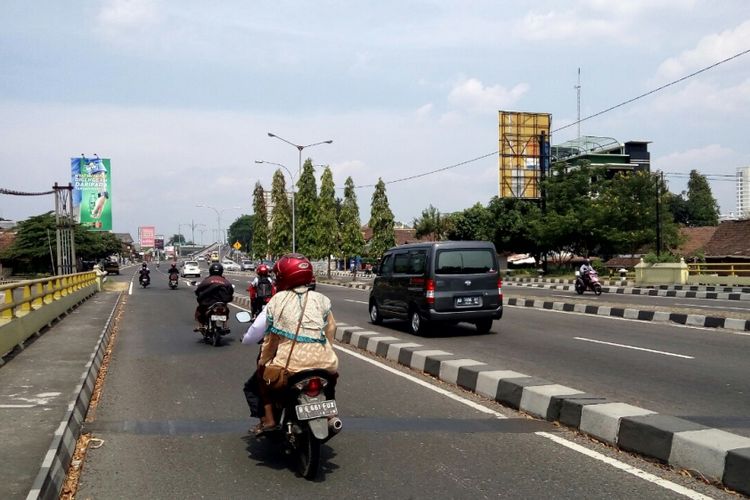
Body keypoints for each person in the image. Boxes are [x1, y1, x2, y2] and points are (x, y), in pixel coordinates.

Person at [251, 253, 339, 436]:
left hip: (291, 365)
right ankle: (331, 413)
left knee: (261, 376)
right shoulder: (321, 299)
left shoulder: (278, 300)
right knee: (331, 379)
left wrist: (264, 360)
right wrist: (325, 349)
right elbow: (331, 330)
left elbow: (271, 339)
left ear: (283, 277)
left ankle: (269, 419)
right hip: (325, 362)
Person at [194, 262, 234, 330]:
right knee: (226, 310)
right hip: (221, 303)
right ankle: (225, 325)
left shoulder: (207, 280)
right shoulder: (225, 281)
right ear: (221, 271)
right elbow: (231, 291)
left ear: (211, 271)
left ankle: (201, 326)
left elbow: (199, 290)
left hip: (208, 303)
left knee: (200, 310)